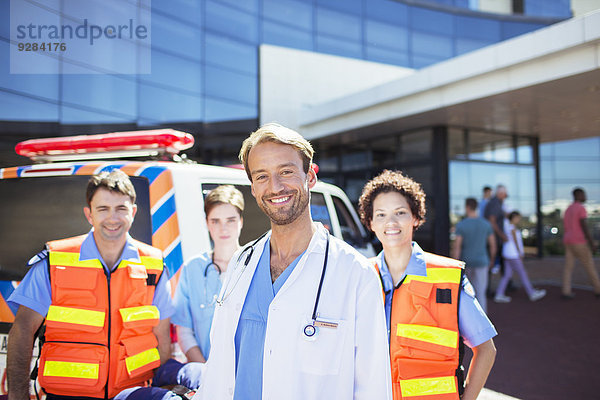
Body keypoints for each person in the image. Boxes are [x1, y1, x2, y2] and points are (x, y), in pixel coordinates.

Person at [192, 123, 392, 400]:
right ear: (252, 187)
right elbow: (218, 367)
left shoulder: (355, 274)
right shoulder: (241, 262)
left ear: (310, 177)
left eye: (286, 172)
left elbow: (373, 387)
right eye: (262, 176)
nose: (275, 187)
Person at [6, 170, 173, 400]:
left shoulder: (154, 265)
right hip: (67, 395)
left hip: (132, 393)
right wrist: (18, 396)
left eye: (121, 209)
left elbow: (162, 337)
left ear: (133, 212)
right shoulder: (54, 262)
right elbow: (23, 330)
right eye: (103, 209)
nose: (112, 218)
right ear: (89, 214)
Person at [358, 170, 497, 400]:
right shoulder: (360, 276)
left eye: (400, 213)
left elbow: (486, 349)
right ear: (370, 223)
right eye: (381, 215)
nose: (390, 222)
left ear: (415, 217)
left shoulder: (447, 278)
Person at [172, 185, 244, 362]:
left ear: (241, 221)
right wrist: (205, 373)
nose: (223, 228)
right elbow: (185, 331)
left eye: (230, 220)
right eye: (215, 221)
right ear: (207, 223)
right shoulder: (192, 269)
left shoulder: (256, 266)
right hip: (204, 372)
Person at [452, 197, 496, 311]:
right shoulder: (485, 224)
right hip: (482, 262)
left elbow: (457, 247)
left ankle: (468, 322)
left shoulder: (461, 225)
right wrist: (492, 260)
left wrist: (454, 264)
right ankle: (483, 321)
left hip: (466, 262)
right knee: (481, 293)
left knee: (466, 294)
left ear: (467, 207)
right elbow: (493, 245)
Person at [494, 211, 546, 303]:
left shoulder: (506, 226)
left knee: (507, 275)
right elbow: (516, 242)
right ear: (513, 218)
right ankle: (531, 293)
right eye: (517, 218)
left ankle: (499, 293)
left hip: (507, 254)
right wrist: (520, 253)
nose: (519, 220)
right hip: (513, 254)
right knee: (522, 273)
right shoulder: (511, 228)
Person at [562, 187, 600, 299]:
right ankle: (598, 289)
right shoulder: (581, 208)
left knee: (568, 268)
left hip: (568, 241)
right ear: (578, 195)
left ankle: (566, 291)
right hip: (579, 241)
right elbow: (584, 225)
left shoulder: (568, 209)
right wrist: (592, 242)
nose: (585, 197)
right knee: (589, 265)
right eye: (583, 194)